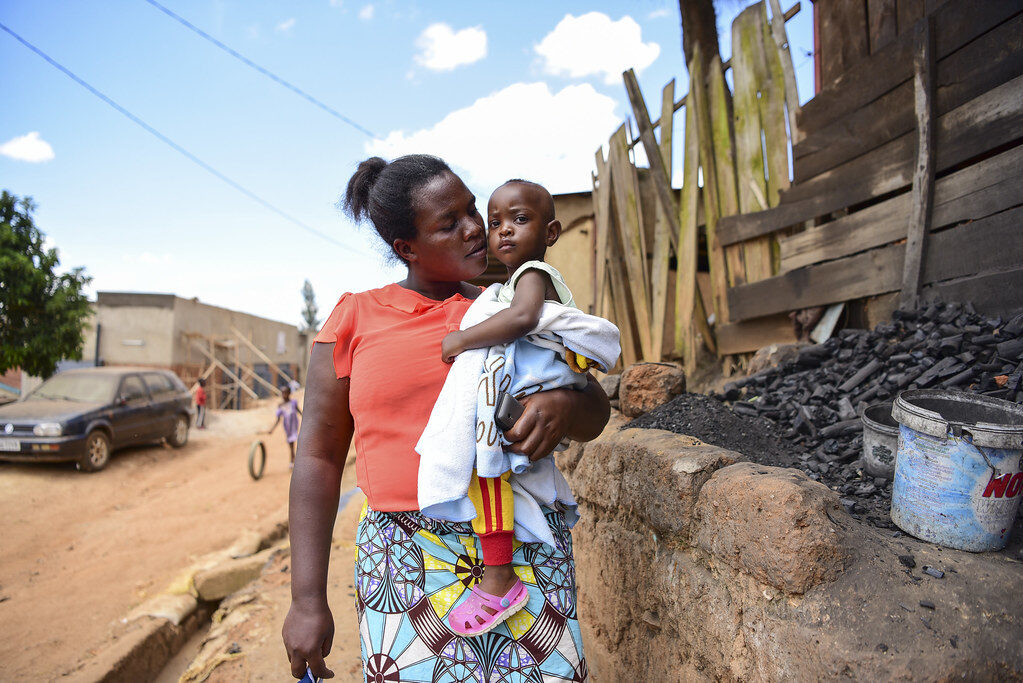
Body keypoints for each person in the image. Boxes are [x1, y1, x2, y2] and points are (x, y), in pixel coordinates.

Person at [282, 155, 610, 681]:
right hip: (405, 557)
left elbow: (595, 411)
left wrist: (563, 406)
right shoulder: (356, 318)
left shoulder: (512, 309)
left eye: (471, 210)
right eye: (448, 222)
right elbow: (319, 459)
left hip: (519, 541)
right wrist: (305, 599)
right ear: (406, 248)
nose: (476, 227)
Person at [420, 178, 618, 636]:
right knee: (489, 480)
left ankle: (498, 575)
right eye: (496, 223)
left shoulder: (532, 274)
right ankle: (498, 574)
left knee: (486, 475)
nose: (503, 231)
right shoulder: (509, 284)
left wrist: (463, 340)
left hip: (534, 390)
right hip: (528, 400)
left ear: (551, 233)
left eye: (519, 220)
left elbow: (526, 319)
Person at [267, 386, 302, 467]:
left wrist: (305, 418)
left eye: (285, 393)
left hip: (294, 425)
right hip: (287, 427)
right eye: (282, 393)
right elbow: (278, 419)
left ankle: (292, 460)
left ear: (289, 393)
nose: (284, 395)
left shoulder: (293, 402)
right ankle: (293, 459)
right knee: (290, 443)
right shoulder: (281, 405)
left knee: (292, 442)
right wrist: (272, 429)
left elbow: (298, 411)